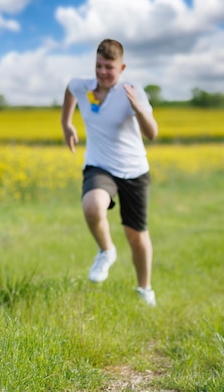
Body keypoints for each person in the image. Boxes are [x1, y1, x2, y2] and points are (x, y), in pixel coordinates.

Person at [60, 39, 158, 306]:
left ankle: (144, 289)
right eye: (98, 66)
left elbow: (152, 133)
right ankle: (106, 251)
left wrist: (139, 109)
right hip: (100, 165)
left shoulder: (132, 90)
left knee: (135, 234)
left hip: (134, 170)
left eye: (109, 68)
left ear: (122, 67)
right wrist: (67, 124)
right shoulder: (84, 87)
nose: (102, 72)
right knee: (92, 206)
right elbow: (70, 89)